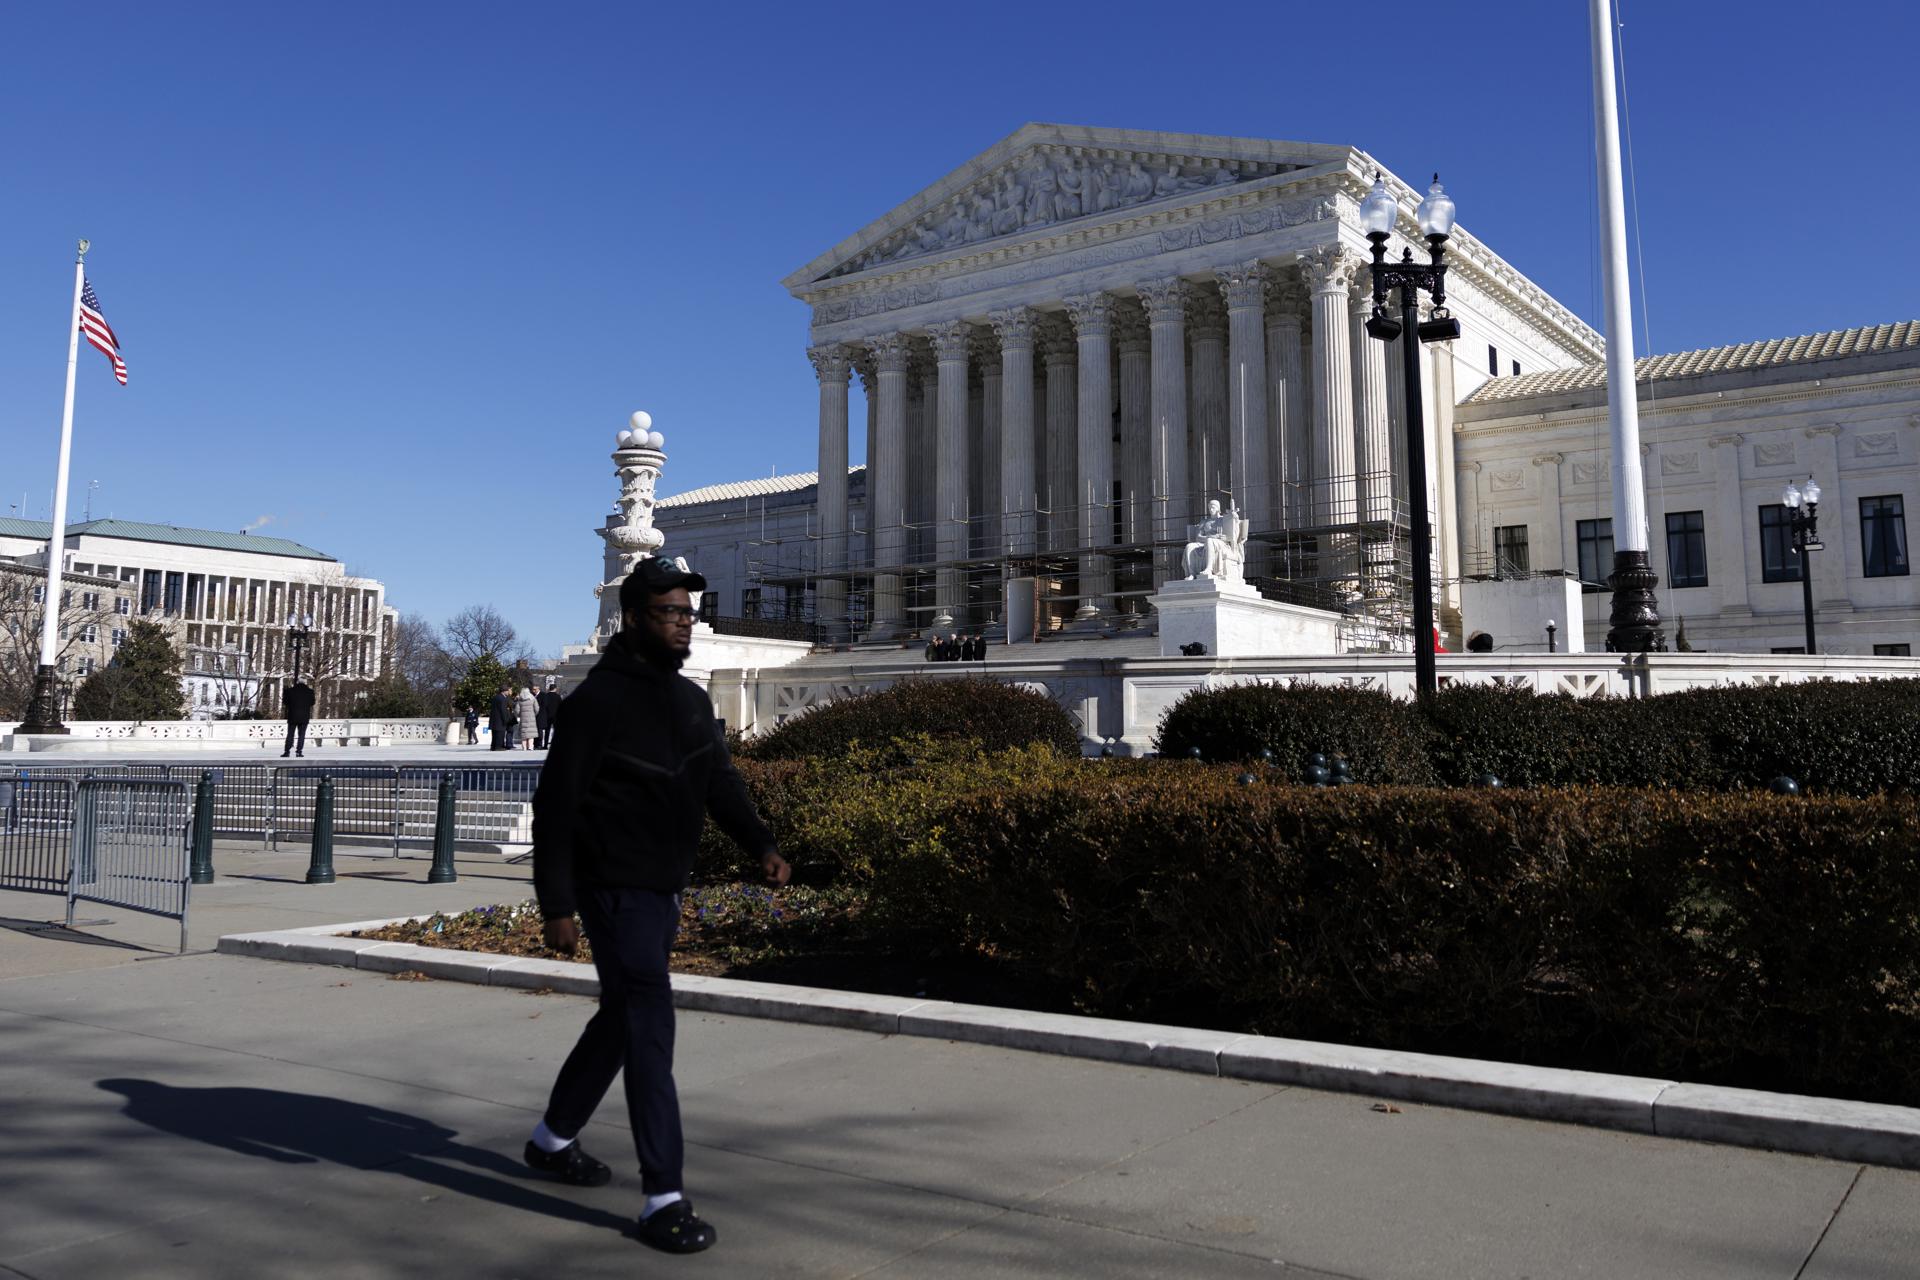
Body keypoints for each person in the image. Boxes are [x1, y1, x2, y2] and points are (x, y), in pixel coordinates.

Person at [527, 557, 789, 1256]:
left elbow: (720, 782)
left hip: (662, 887)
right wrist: (557, 904)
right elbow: (556, 807)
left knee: (621, 1017)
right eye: (670, 613)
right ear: (635, 617)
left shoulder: (689, 701)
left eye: (688, 613)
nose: (684, 625)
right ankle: (663, 1196)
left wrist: (761, 844)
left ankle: (551, 1139)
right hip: (612, 887)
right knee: (648, 1020)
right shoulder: (596, 702)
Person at [281, 679, 315, 758]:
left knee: (290, 734)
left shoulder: (290, 691)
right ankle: (299, 751)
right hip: (304, 716)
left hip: (292, 715)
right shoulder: (310, 692)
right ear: (305, 683)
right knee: (301, 735)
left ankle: (287, 751)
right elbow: (312, 702)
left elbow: (285, 702)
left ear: (297, 683)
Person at [536, 680, 562, 750]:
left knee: (547, 731)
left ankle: (545, 745)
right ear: (555, 689)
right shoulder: (558, 696)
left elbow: (544, 705)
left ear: (549, 689)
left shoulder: (546, 696)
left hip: (547, 716)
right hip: (556, 716)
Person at [488, 685, 514, 751]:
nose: (508, 692)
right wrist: (506, 720)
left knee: (494, 734)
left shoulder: (496, 697)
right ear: (503, 691)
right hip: (500, 720)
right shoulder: (502, 699)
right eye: (507, 691)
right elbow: (503, 711)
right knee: (500, 734)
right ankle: (498, 747)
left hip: (494, 719)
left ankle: (493, 746)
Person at [516, 686, 540, 751]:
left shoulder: (520, 700)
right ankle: (530, 747)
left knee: (524, 734)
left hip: (523, 718)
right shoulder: (533, 698)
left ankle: (524, 747)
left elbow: (517, 710)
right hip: (531, 718)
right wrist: (534, 714)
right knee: (531, 734)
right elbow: (537, 708)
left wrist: (520, 715)